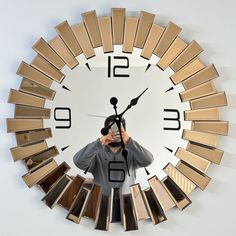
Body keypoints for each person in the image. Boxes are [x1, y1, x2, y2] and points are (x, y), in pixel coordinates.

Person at [73, 115, 154, 197]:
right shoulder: (96, 153)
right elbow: (78, 161)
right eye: (111, 129)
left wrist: (129, 141)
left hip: (127, 202)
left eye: (118, 129)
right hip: (101, 202)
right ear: (105, 131)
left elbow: (148, 160)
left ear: (124, 131)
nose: (115, 133)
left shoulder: (133, 152)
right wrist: (99, 142)